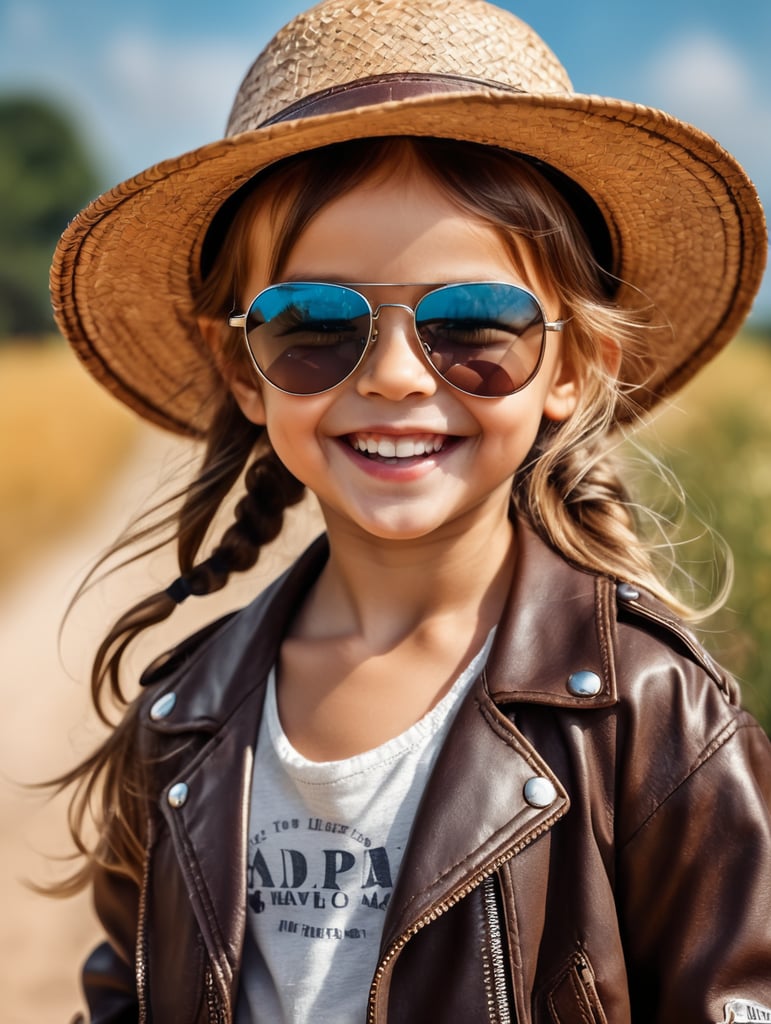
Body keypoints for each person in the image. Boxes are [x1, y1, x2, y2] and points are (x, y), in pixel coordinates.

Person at [49, 0, 771, 1021]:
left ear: (572, 366)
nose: (392, 377)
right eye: (313, 323)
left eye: (474, 320)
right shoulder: (185, 717)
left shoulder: (658, 725)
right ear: (243, 372)